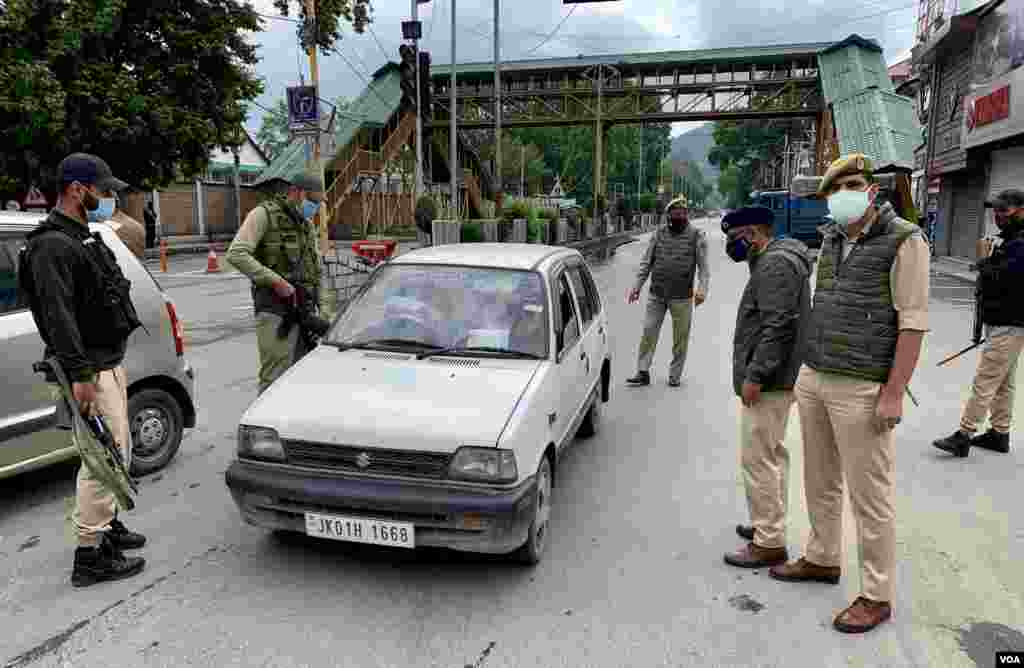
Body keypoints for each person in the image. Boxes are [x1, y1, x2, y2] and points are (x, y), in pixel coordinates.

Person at [769, 154, 930, 634]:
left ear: (872, 191)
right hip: (816, 376)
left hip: (862, 386)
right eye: (835, 191)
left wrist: (894, 392)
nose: (843, 196)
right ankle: (822, 557)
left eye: (853, 185)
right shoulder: (832, 238)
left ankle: (877, 595)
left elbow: (913, 323)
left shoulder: (904, 240)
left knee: (869, 496)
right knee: (819, 480)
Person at [21, 153, 147, 587]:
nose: (110, 198)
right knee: (100, 462)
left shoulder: (80, 237)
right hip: (89, 371)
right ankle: (89, 556)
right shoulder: (52, 246)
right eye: (104, 190)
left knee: (116, 453)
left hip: (106, 364)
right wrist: (80, 377)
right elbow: (59, 319)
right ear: (78, 189)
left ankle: (106, 526)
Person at [720, 206, 812, 570]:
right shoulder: (775, 258)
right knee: (771, 454)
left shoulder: (774, 264)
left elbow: (778, 327)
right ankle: (767, 522)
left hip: (771, 379)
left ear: (753, 234)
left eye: (735, 239)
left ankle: (769, 541)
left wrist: (756, 375)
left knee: (758, 458)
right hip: (780, 375)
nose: (732, 246)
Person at [933, 189, 1024, 457]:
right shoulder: (1011, 241)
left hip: (1010, 322)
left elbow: (1003, 280)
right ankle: (999, 433)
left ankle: (964, 434)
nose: (998, 216)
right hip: (1003, 320)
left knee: (986, 379)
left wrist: (984, 259)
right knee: (1003, 381)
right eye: (995, 211)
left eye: (1004, 211)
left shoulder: (1020, 244)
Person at [226, 169, 332, 395]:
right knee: (275, 378)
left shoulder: (306, 225)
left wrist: (324, 311)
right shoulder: (263, 214)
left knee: (302, 380)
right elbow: (236, 254)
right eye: (312, 201)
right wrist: (276, 282)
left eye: (318, 203)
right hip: (275, 310)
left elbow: (317, 270)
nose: (315, 207)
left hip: (304, 311)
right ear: (296, 192)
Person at [625, 196, 709, 387]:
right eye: (675, 213)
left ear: (686, 215)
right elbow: (646, 263)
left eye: (682, 213)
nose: (679, 216)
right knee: (648, 331)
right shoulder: (658, 234)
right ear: (668, 215)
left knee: (680, 338)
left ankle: (675, 375)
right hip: (657, 294)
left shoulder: (697, 236)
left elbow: (704, 269)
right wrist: (637, 287)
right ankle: (642, 371)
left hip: (682, 297)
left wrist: (702, 290)